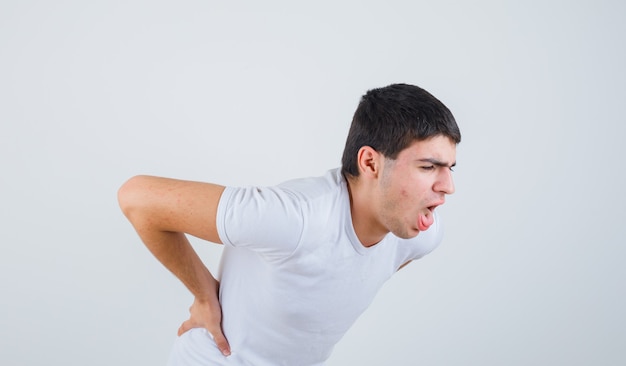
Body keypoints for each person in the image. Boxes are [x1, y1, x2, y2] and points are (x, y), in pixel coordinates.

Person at [118, 83, 461, 366]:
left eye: (450, 168)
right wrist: (204, 295)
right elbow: (137, 198)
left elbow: (349, 274)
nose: (447, 186)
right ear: (370, 162)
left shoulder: (419, 236)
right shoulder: (295, 219)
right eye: (428, 167)